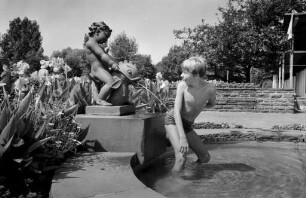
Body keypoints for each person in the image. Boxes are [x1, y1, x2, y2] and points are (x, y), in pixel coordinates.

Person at [164, 56, 216, 172]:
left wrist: (199, 105)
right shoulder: (182, 86)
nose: (181, 75)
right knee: (181, 158)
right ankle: (173, 186)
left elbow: (211, 103)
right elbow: (176, 111)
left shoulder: (210, 89)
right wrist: (182, 138)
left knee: (205, 158)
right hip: (173, 120)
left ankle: (192, 173)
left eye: (185, 72)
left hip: (187, 125)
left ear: (196, 74)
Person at [84, 21, 119, 106]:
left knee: (116, 81)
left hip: (102, 69)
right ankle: (100, 100)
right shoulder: (91, 42)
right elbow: (102, 55)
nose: (106, 40)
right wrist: (112, 63)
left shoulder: (97, 45)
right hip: (97, 70)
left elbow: (103, 55)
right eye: (105, 36)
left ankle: (113, 99)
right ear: (97, 32)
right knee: (111, 82)